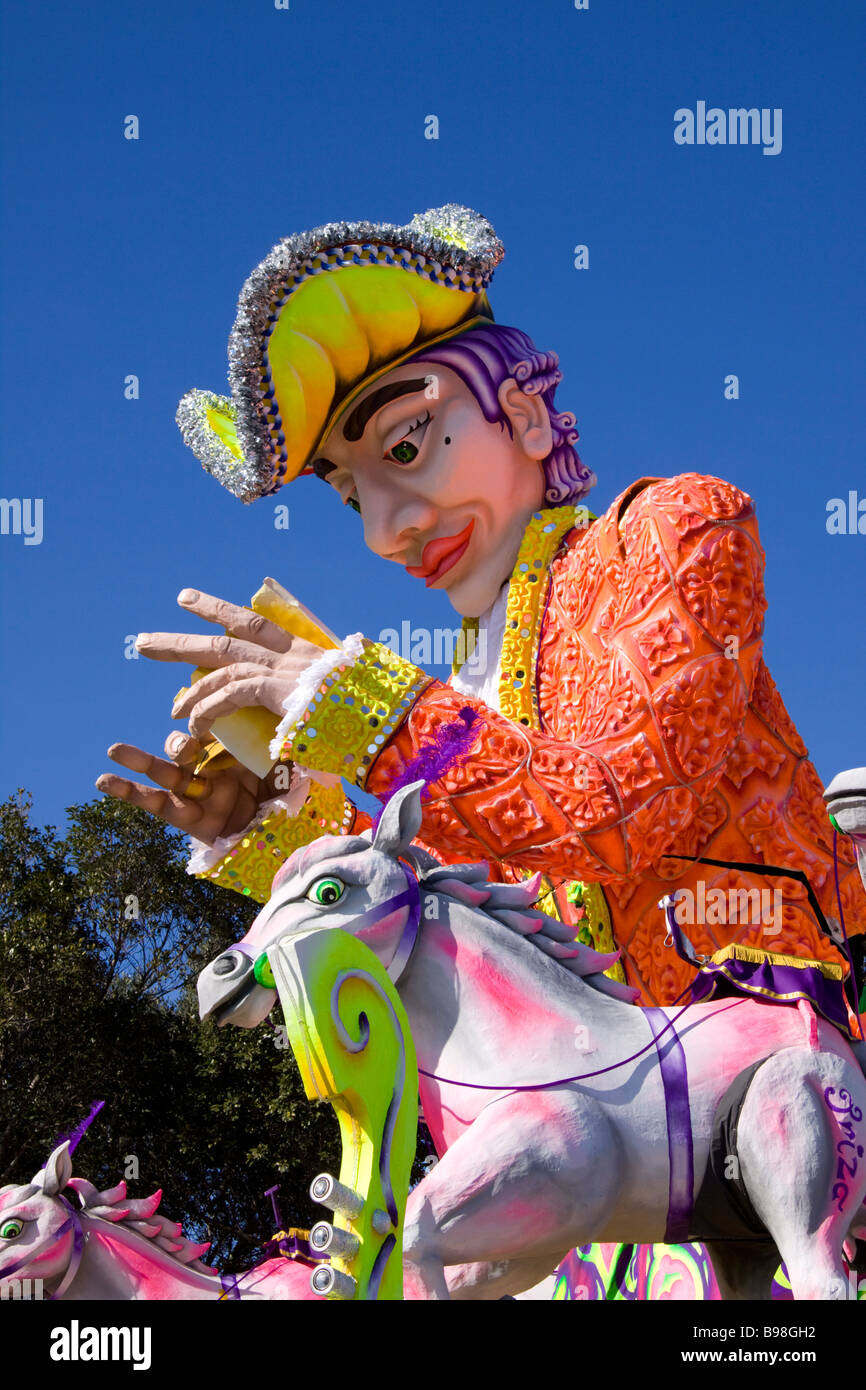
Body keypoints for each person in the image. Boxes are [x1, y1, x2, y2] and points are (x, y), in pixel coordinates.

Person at [97, 202, 865, 1007]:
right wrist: (272, 818)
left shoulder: (676, 529)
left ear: (526, 417)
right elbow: (447, 905)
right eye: (356, 498)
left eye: (406, 446)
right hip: (592, 1098)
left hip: (782, 1043)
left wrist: (357, 702)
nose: (385, 533)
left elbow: (619, 812)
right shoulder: (467, 697)